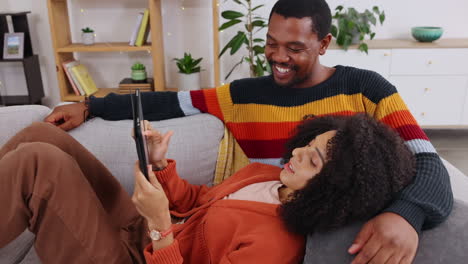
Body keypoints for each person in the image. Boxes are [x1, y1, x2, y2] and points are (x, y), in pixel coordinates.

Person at [45, 0, 453, 263]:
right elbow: (173, 102)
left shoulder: (368, 89)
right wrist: (90, 106)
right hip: (201, 222)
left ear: (324, 43)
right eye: (271, 43)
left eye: (294, 48)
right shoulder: (245, 96)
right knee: (41, 144)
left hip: (243, 233)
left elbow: (429, 165)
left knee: (38, 163)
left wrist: (406, 214)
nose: (278, 57)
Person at [0, 114, 414, 263]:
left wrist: (161, 223)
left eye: (314, 160)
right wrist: (161, 165)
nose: (299, 152)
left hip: (140, 257)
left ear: (334, 188)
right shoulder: (265, 176)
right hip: (142, 231)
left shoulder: (276, 246)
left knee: (40, 163)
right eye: (311, 142)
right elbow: (197, 201)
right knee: (43, 135)